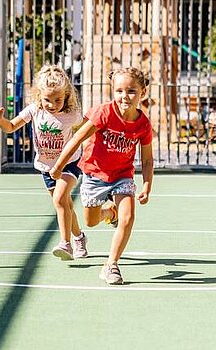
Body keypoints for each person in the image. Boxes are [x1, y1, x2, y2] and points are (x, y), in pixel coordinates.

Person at [50, 67, 154, 285]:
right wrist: (59, 165)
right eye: (119, 91)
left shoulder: (143, 125)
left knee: (128, 218)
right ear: (112, 91)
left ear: (143, 92)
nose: (125, 96)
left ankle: (111, 265)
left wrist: (146, 185)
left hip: (123, 175)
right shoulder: (104, 113)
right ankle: (109, 213)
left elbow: (146, 160)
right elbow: (77, 138)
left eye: (132, 91)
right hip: (94, 174)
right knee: (90, 221)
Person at [0, 66, 89, 261]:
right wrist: (0, 119)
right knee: (65, 204)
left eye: (58, 100)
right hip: (46, 166)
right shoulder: (34, 110)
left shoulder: (73, 114)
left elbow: (88, 131)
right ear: (38, 96)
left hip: (70, 162)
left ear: (66, 95)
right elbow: (10, 127)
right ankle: (79, 237)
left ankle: (65, 244)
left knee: (60, 199)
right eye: (47, 100)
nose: (52, 105)